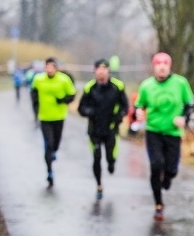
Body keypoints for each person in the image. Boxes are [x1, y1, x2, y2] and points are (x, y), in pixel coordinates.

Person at [134, 52, 194, 221]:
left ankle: (168, 178)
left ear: (169, 66)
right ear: (154, 67)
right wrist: (138, 113)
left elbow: (190, 103)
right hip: (153, 131)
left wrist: (184, 118)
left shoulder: (180, 83)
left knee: (172, 170)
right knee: (155, 165)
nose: (162, 67)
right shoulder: (146, 86)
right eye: (158, 64)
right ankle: (158, 205)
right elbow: (139, 105)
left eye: (165, 64)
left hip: (173, 132)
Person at [78, 59, 129, 200]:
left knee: (109, 156)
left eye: (104, 69)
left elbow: (125, 106)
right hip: (94, 130)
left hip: (111, 128)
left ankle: (111, 162)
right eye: (98, 69)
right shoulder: (89, 88)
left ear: (108, 71)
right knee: (96, 157)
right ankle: (99, 186)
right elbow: (81, 108)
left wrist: (120, 115)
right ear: (94, 71)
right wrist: (89, 111)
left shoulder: (117, 86)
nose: (101, 72)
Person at [30, 57, 76, 188]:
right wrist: (36, 110)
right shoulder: (38, 79)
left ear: (56, 68)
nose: (49, 69)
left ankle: (54, 152)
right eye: (47, 67)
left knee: (55, 143)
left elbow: (72, 95)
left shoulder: (64, 79)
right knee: (48, 144)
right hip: (44, 117)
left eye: (52, 67)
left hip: (59, 117)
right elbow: (33, 94)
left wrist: (62, 100)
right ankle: (49, 171)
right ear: (44, 68)